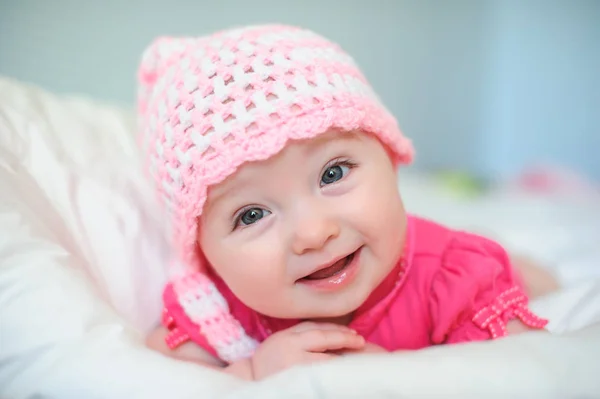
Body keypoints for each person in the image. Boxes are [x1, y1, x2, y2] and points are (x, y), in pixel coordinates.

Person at [140, 24, 555, 381]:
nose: (314, 234)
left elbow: (525, 371)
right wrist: (250, 374)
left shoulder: (455, 278)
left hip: (445, 263)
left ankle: (521, 266)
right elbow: (158, 377)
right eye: (251, 215)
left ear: (390, 159)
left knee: (512, 272)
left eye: (333, 173)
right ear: (205, 252)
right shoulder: (222, 309)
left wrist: (401, 377)